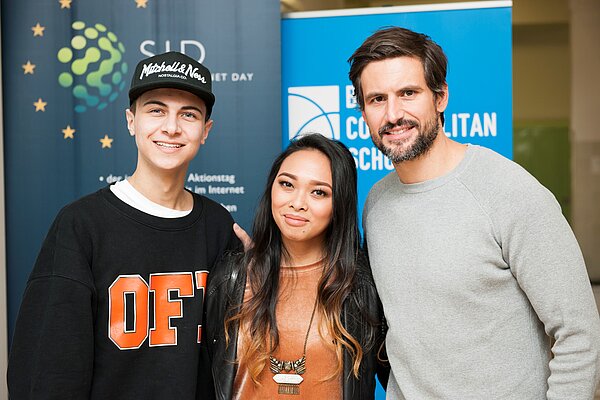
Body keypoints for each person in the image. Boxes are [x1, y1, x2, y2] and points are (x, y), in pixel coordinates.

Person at [348, 27, 600, 399]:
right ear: (364, 111)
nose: (393, 114)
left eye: (408, 93)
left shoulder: (510, 193)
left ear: (440, 97)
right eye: (377, 99)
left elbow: (579, 333)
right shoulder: (377, 203)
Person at [8, 51, 239, 399]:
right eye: (156, 110)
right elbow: (47, 368)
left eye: (188, 114)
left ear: (205, 131)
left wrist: (261, 271)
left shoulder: (219, 227)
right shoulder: (81, 225)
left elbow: (235, 353)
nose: (172, 127)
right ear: (131, 121)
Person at [205, 133, 388, 399]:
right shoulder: (232, 278)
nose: (298, 203)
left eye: (318, 192)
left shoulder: (363, 287)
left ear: (339, 204)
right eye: (287, 184)